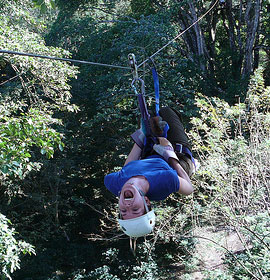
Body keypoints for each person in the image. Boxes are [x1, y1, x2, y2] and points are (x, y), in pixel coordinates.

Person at [104, 107, 195, 238]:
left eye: (123, 210)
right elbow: (189, 189)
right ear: (146, 201)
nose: (128, 205)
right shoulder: (163, 183)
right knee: (167, 111)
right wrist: (170, 153)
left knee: (149, 117)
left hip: (150, 151)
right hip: (177, 158)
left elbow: (127, 169)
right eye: (135, 209)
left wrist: (141, 136)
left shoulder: (113, 182)